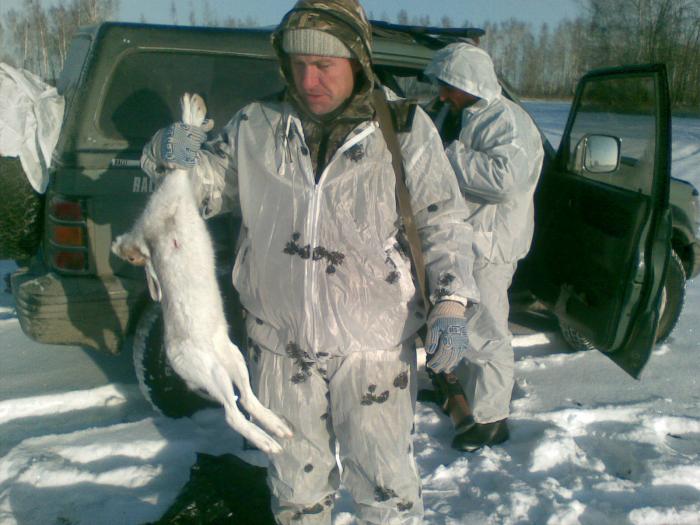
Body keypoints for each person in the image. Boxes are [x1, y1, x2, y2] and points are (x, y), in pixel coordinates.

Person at [141, 1, 479, 523]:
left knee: (385, 487)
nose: (308, 79)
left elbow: (443, 222)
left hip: (374, 344)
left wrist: (451, 301)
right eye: (298, 64)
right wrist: (171, 158)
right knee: (295, 489)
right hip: (280, 343)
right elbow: (202, 191)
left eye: (324, 65)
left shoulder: (404, 128)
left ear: (357, 60)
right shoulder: (257, 125)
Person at [425, 43, 544, 452]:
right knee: (464, 326)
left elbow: (503, 180)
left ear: (469, 83)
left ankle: (492, 420)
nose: (442, 95)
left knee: (487, 331)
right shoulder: (466, 114)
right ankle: (465, 398)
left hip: (491, 245)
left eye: (449, 87)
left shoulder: (509, 122)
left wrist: (447, 153)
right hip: (466, 240)